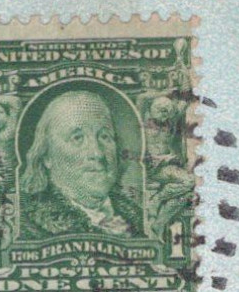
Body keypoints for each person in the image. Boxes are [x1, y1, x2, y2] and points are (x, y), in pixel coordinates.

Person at [18, 88, 145, 240]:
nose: (97, 153)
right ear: (46, 156)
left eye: (105, 136)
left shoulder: (138, 217)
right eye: (77, 138)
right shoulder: (25, 225)